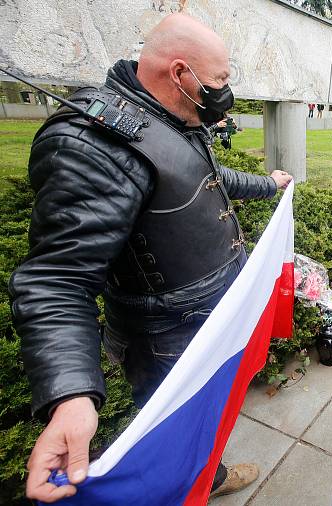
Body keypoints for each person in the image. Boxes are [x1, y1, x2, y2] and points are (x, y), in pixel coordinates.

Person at [9, 14, 293, 503]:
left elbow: (198, 176)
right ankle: (201, 483)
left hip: (210, 321)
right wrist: (71, 394)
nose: (226, 90)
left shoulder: (167, 114)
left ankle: (212, 473)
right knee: (181, 437)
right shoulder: (97, 147)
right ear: (180, 74)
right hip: (167, 339)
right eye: (220, 80)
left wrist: (269, 185)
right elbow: (58, 280)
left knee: (209, 421)